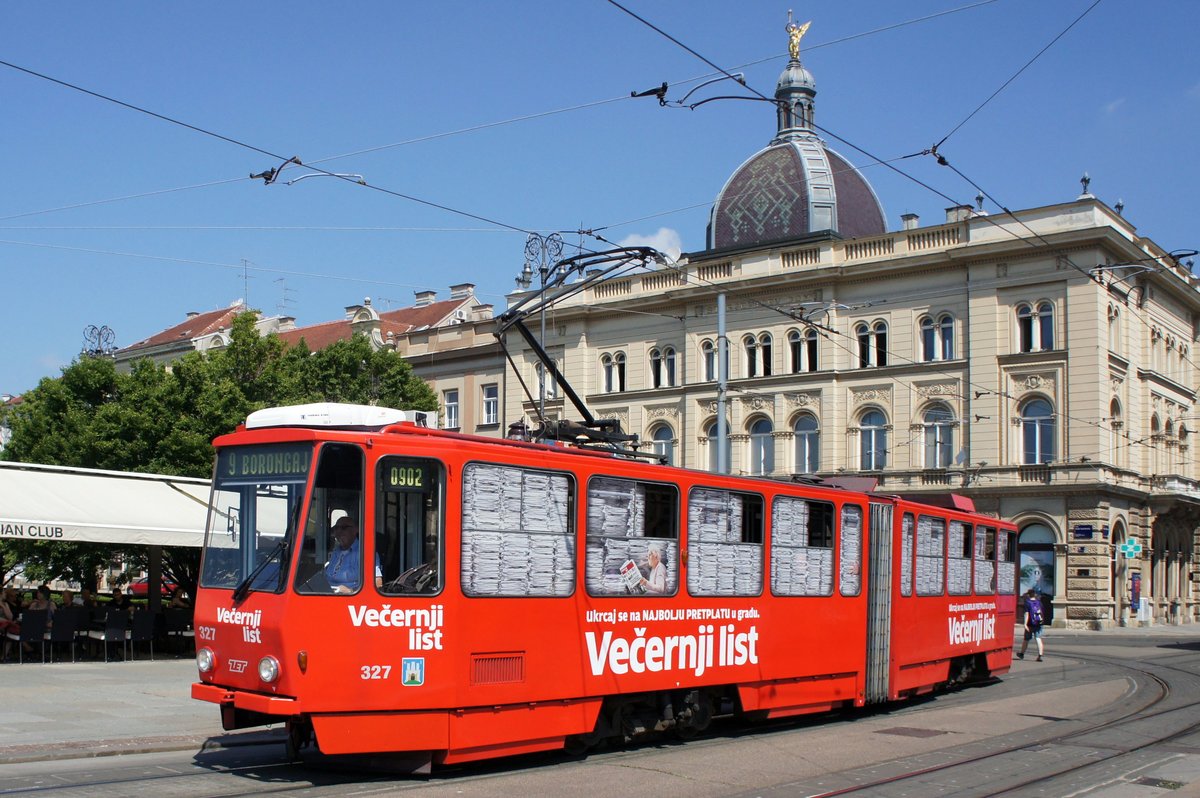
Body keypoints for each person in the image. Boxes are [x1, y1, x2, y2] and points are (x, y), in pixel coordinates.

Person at [324, 516, 382, 594]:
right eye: (336, 528)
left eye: (344, 527)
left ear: (356, 530)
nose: (339, 531)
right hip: (326, 594)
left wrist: (351, 591)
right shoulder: (336, 551)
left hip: (349, 598)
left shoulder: (365, 552)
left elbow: (378, 583)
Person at [1017, 587, 1045, 661]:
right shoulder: (1039, 602)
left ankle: (1022, 654)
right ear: (1035, 595)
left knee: (1026, 639)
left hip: (1030, 624)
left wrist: (1025, 624)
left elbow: (1027, 614)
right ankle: (1040, 655)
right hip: (1039, 623)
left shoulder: (1027, 602)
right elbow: (1042, 612)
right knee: (1038, 638)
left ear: (1029, 595)